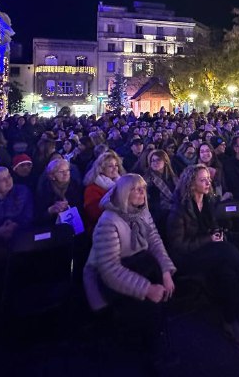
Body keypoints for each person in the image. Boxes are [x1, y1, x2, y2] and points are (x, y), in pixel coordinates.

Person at [166, 164, 239, 349]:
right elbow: (178, 246)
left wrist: (215, 234)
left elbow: (211, 228)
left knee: (227, 271)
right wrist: (209, 239)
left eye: (208, 179)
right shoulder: (178, 210)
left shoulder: (207, 202)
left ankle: (231, 321)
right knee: (225, 251)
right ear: (191, 184)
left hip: (208, 251)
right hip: (186, 258)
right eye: (203, 180)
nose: (208, 182)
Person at [83, 174, 176, 356]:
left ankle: (156, 332)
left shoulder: (141, 211)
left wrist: (166, 270)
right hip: (107, 280)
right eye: (136, 189)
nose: (143, 193)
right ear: (125, 193)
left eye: (143, 188)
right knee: (149, 307)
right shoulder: (108, 222)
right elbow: (109, 270)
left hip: (135, 263)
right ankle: (151, 352)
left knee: (161, 281)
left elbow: (154, 240)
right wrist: (147, 289)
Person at [83, 151, 124, 234]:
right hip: (102, 230)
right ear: (101, 168)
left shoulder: (121, 182)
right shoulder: (92, 188)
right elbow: (94, 214)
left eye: (116, 165)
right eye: (110, 166)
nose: (115, 168)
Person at [34, 158, 84, 226]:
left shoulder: (76, 186)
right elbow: (37, 216)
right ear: (52, 176)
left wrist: (70, 208)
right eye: (61, 171)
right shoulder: (44, 189)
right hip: (51, 227)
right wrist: (50, 210)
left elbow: (82, 208)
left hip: (74, 227)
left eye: (67, 170)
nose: (66, 174)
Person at [143, 150, 179, 234]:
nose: (155, 163)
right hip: (158, 213)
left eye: (158, 160)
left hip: (174, 208)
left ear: (165, 161)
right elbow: (149, 201)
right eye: (153, 161)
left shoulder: (173, 177)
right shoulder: (148, 180)